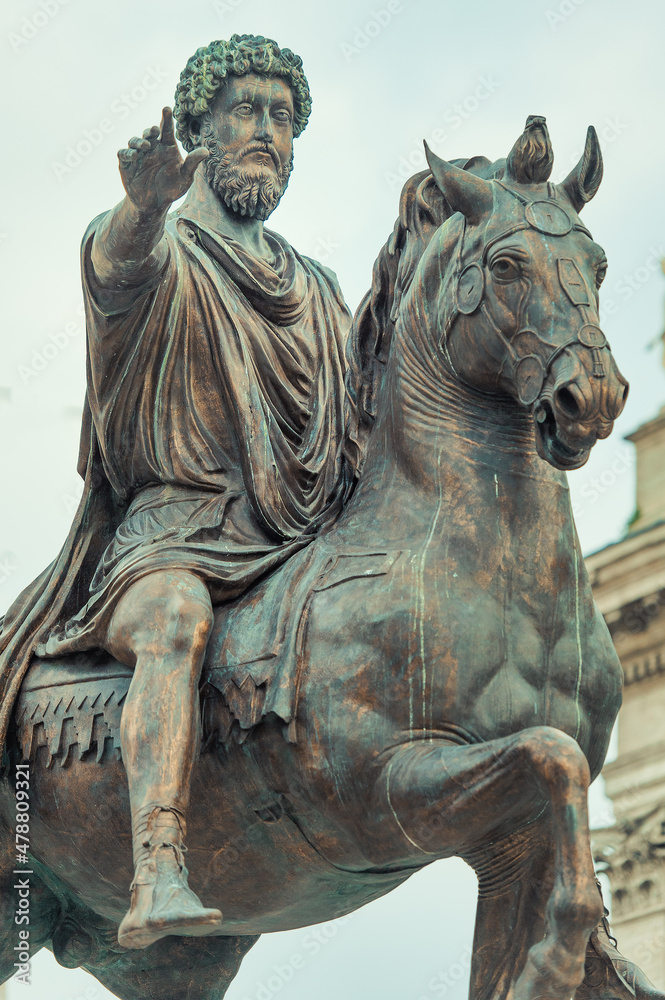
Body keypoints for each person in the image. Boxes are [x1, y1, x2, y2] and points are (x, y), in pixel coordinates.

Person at [0, 33, 353, 950]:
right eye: (246, 111)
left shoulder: (316, 290)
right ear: (198, 124)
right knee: (175, 624)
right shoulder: (157, 243)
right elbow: (117, 269)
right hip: (166, 538)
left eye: (283, 118)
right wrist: (139, 208)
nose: (267, 134)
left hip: (290, 544)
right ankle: (156, 865)